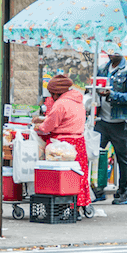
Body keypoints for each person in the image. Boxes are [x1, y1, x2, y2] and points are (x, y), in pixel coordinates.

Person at [33, 74, 91, 211]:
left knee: (62, 177)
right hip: (78, 143)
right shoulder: (77, 101)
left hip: (62, 144)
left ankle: (64, 206)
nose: (51, 96)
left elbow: (49, 126)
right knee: (77, 174)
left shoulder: (60, 104)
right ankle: (77, 206)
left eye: (51, 93)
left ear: (56, 92)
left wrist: (39, 126)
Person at [94, 53, 127, 205]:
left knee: (122, 159)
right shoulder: (102, 69)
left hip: (121, 122)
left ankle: (122, 193)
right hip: (102, 120)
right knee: (95, 155)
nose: (112, 53)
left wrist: (112, 94)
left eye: (116, 50)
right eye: (110, 50)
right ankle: (97, 190)